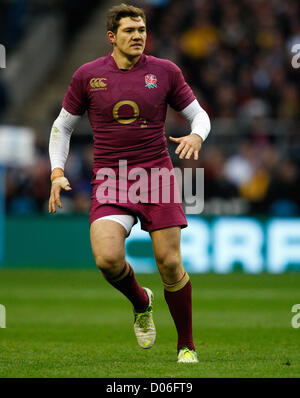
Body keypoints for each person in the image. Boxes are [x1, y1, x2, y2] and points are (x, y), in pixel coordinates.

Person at [48, 3, 210, 363]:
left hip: (156, 177)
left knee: (169, 263)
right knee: (107, 259)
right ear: (112, 37)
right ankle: (141, 301)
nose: (138, 36)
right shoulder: (87, 76)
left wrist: (197, 136)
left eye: (141, 30)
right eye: (129, 31)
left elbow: (198, 115)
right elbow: (63, 127)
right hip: (110, 179)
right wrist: (57, 171)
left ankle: (186, 345)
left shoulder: (165, 72)